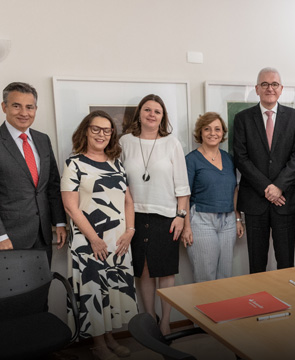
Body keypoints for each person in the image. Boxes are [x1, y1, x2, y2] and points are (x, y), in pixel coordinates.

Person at [61, 111, 137, 360]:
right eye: (96, 129)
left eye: (107, 130)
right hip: (89, 241)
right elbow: (71, 206)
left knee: (111, 291)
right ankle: (98, 344)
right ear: (86, 130)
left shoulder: (116, 162)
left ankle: (109, 337)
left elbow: (128, 201)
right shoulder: (74, 164)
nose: (102, 134)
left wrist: (130, 231)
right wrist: (94, 238)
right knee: (94, 291)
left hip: (118, 240)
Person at [119, 94, 190, 335]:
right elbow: (119, 181)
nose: (151, 114)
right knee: (144, 270)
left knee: (165, 271)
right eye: (147, 110)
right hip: (134, 216)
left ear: (163, 117)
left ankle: (166, 322)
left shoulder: (172, 143)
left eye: (157, 111)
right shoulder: (125, 142)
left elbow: (182, 186)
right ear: (139, 113)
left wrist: (181, 216)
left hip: (167, 216)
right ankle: (149, 317)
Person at [0, 82, 66, 263]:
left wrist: (60, 222)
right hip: (8, 238)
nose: (24, 113)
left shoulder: (42, 139)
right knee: (11, 291)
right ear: (4, 107)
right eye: (16, 106)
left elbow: (52, 185)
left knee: (42, 288)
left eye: (29, 107)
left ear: (36, 109)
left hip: (43, 235)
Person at [233, 67, 295, 273]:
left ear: (281, 89)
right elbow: (241, 158)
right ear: (256, 89)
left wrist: (279, 187)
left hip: (285, 200)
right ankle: (259, 304)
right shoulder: (243, 119)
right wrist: (267, 188)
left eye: (274, 84)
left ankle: (287, 302)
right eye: (264, 84)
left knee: (286, 262)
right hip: (256, 201)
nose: (269, 88)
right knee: (256, 263)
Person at [184, 112, 244, 282]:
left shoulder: (229, 159)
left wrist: (238, 219)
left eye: (217, 129)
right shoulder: (191, 160)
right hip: (201, 221)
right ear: (200, 132)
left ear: (222, 133)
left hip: (228, 222)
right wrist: (186, 226)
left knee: (225, 276)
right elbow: (184, 195)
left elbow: (234, 190)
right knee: (206, 277)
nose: (212, 133)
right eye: (207, 129)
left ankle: (222, 309)